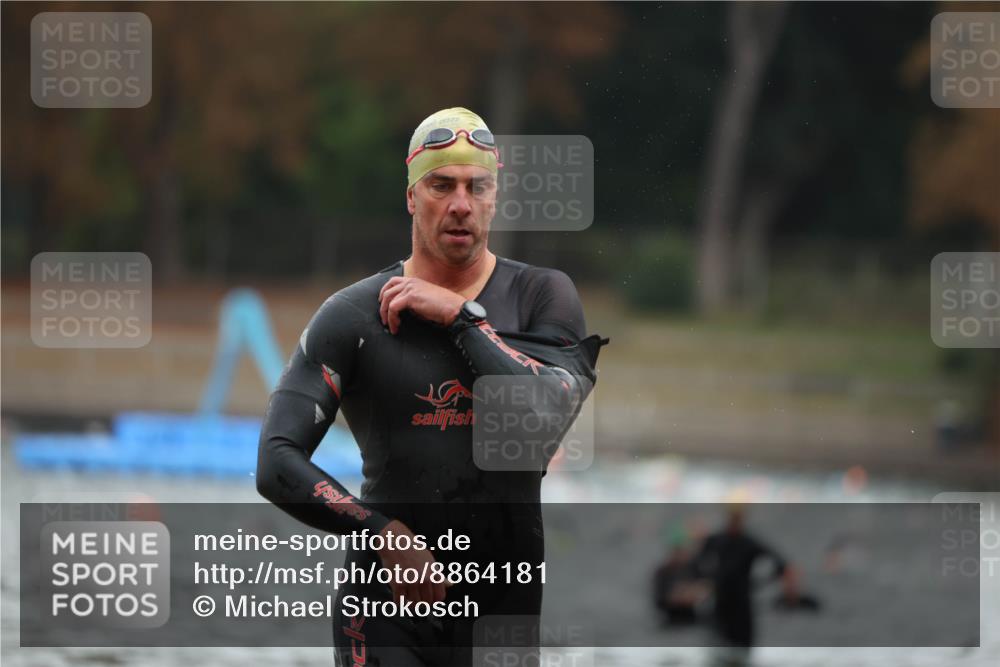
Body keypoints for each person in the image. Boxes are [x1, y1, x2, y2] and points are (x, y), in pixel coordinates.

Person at [256, 107, 607, 666]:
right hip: (384, 609)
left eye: (477, 187)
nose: (461, 204)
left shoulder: (543, 297)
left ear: (495, 197)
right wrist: (385, 536)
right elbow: (277, 461)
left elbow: (544, 415)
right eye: (441, 185)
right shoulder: (352, 316)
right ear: (412, 197)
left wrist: (461, 318)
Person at [691, 505, 786, 666]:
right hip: (721, 603)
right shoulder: (716, 540)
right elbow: (696, 564)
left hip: (742, 604)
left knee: (742, 651)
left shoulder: (749, 542)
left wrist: (759, 583)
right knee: (718, 648)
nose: (735, 520)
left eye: (738, 516)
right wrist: (707, 580)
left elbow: (780, 564)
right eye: (733, 516)